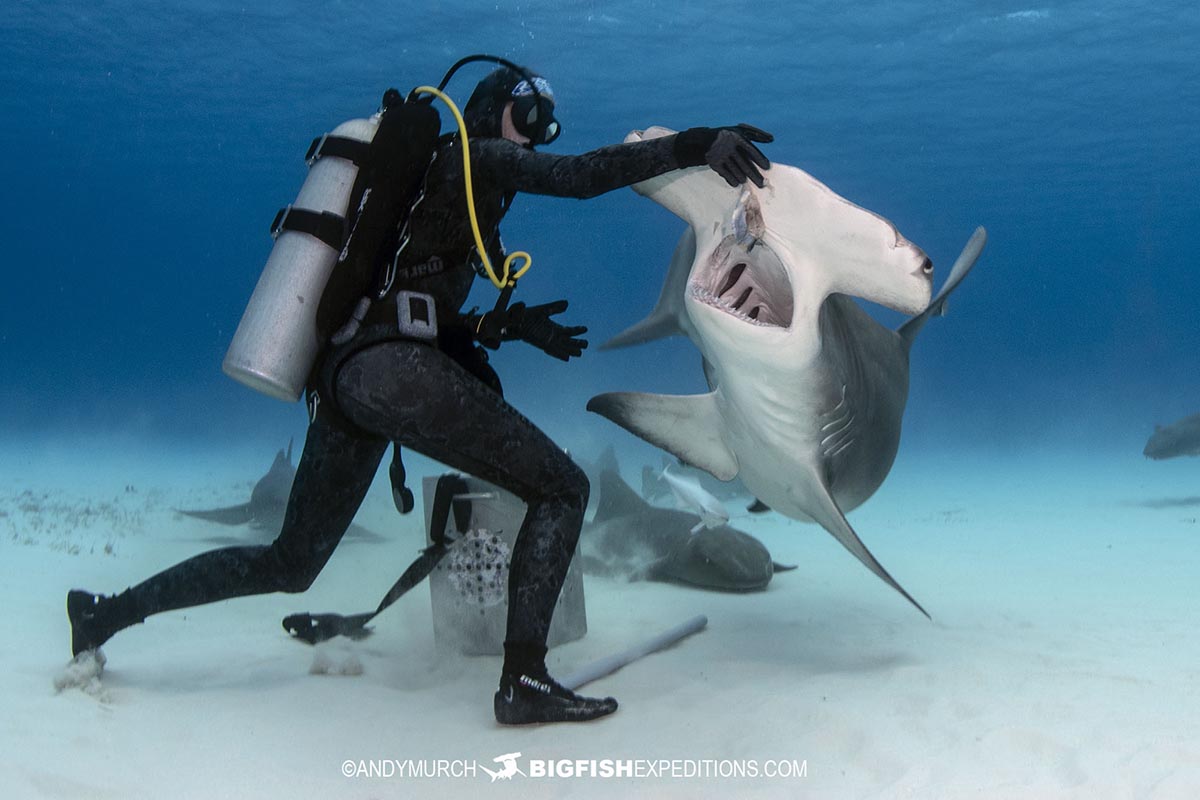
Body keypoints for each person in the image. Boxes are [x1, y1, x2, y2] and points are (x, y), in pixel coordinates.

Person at [67, 64, 772, 725]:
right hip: (391, 373)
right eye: (531, 119)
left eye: (547, 126)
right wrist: (693, 144)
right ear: (497, 113)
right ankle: (523, 678)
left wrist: (508, 325)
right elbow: (581, 178)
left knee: (290, 561)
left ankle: (104, 614)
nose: (538, 137)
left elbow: (410, 303)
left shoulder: (440, 192)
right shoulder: (476, 158)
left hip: (348, 376)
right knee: (562, 489)